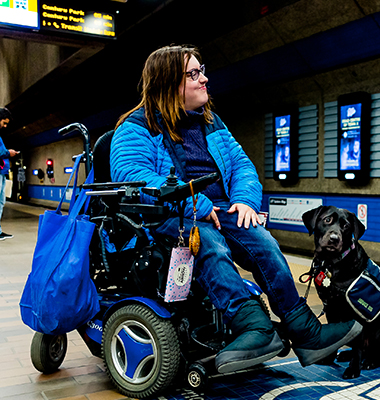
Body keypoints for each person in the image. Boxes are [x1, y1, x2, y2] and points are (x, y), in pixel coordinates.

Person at [110, 45, 361, 373]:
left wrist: (244, 201)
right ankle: (254, 326)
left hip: (221, 210)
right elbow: (135, 177)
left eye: (202, 70)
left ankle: (305, 331)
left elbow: (242, 166)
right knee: (209, 243)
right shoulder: (136, 127)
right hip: (168, 217)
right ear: (168, 83)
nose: (204, 79)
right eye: (194, 73)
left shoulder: (212, 123)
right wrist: (193, 202)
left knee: (262, 241)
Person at [0, 107, 19, 241]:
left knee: (1, 202)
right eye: (4, 122)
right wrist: (8, 153)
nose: (5, 126)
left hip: (1, 172)